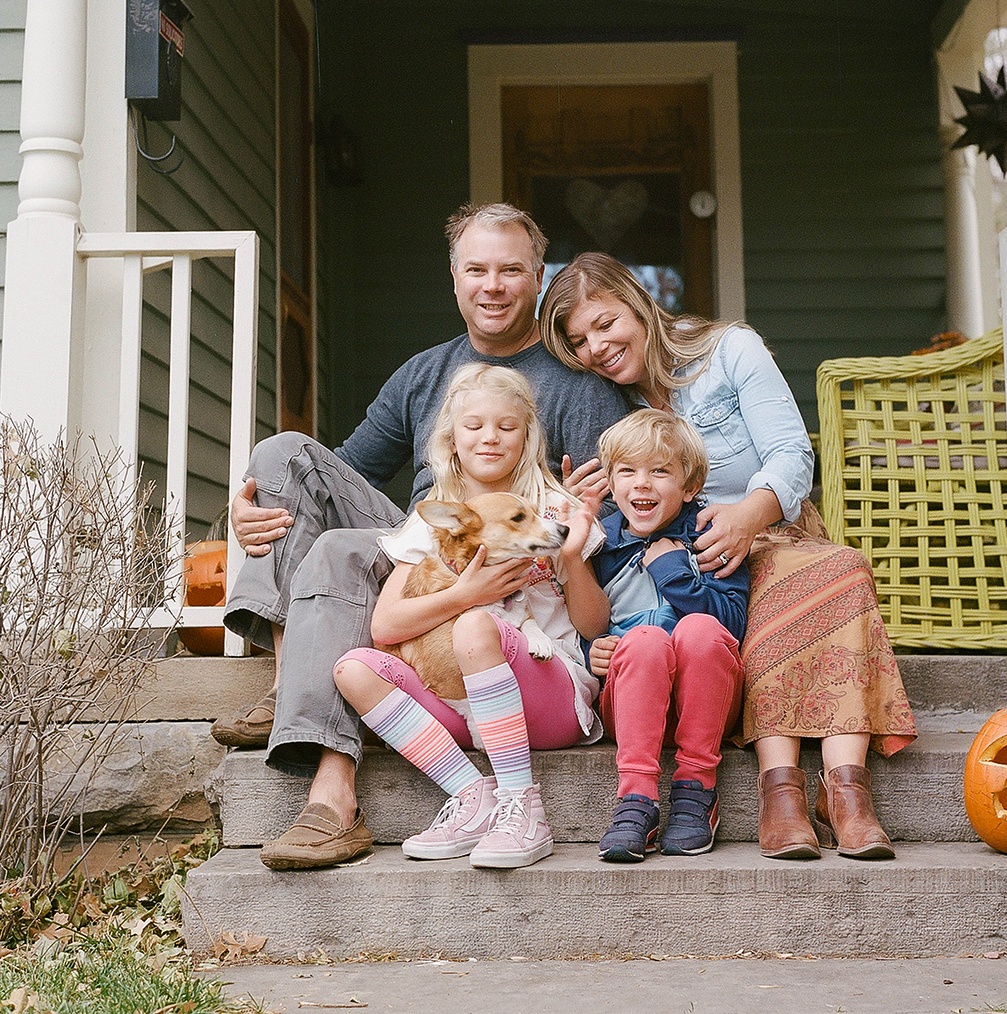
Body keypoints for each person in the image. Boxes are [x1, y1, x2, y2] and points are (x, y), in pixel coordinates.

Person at [216, 204, 627, 871]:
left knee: (333, 553)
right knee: (283, 458)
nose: (492, 284)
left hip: (517, 596)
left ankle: (332, 788)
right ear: (454, 278)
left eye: (510, 269)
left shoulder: (577, 386)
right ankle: (293, 678)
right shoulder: (422, 373)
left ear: (538, 276)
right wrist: (247, 512)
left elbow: (606, 515)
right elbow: (343, 468)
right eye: (476, 269)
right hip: (423, 546)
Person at [540, 252, 915, 861]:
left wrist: (746, 516)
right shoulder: (612, 412)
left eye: (606, 324)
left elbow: (793, 454)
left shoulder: (730, 350)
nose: (597, 348)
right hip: (685, 563)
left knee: (829, 572)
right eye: (580, 341)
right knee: (716, 620)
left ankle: (843, 791)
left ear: (638, 304)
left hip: (768, 532)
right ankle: (783, 790)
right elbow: (603, 534)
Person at [332, 363, 608, 868]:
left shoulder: (553, 512)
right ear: (451, 440)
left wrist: (570, 555)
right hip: (464, 712)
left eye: (507, 427)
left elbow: (593, 627)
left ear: (527, 438)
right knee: (353, 667)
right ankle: (470, 794)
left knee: (477, 627)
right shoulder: (435, 518)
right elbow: (386, 626)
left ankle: (522, 805)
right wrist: (466, 592)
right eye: (474, 427)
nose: (490, 439)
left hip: (549, 700)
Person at [586, 409, 748, 862]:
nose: (642, 483)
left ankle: (696, 789)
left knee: (698, 629)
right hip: (632, 706)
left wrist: (674, 572)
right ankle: (636, 800)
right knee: (644, 640)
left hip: (708, 705)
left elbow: (733, 625)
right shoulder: (600, 543)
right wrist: (590, 652)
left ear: (690, 486)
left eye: (660, 471)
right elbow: (582, 624)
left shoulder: (712, 537)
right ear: (611, 484)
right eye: (628, 471)